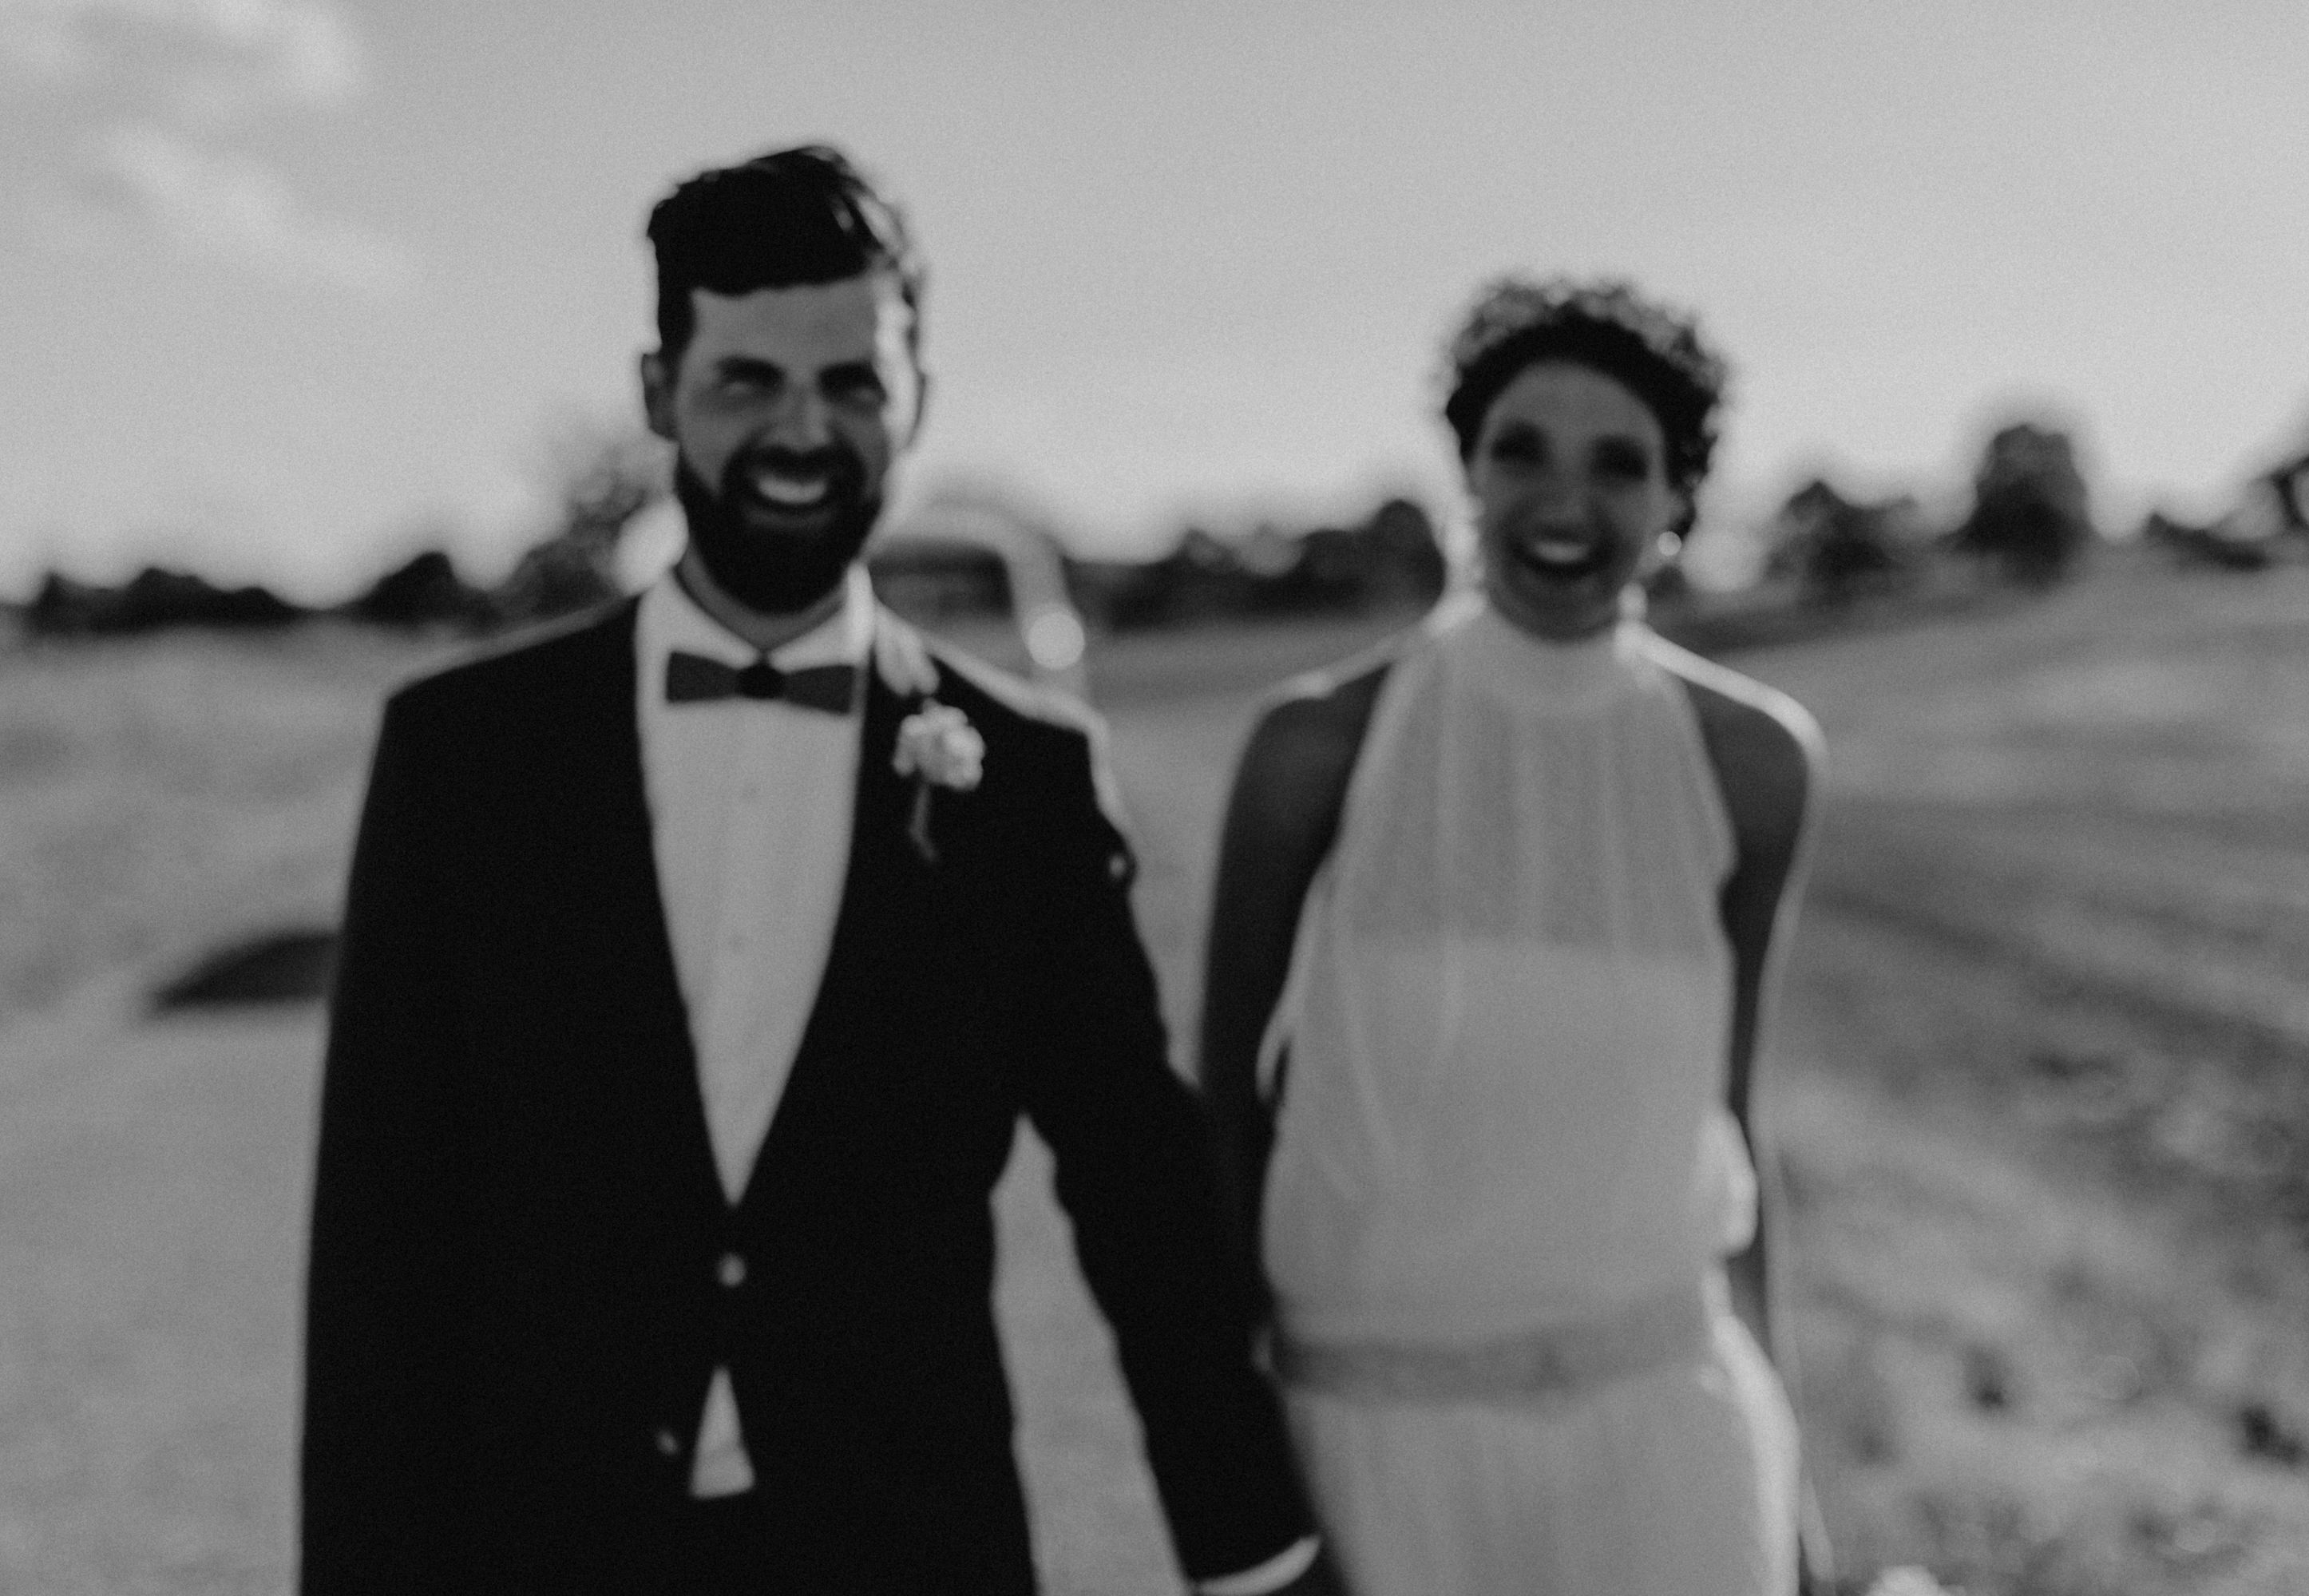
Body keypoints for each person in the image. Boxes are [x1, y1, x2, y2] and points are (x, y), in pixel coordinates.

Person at [300, 145, 1337, 1596]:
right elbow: (383, 1239)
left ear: (920, 399)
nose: (805, 432)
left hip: (904, 1540)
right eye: (748, 382)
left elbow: (1136, 1186)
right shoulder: (465, 755)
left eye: (853, 383)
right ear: (659, 391)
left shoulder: (1022, 777)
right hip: (541, 1541)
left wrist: (1256, 1553)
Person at [1199, 275, 1824, 1595]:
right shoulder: (1317, 743)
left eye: (1621, 465)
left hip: (1672, 1442)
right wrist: (1243, 1505)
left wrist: (1796, 1472)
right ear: (1465, 474)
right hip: (1377, 1444)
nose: (1565, 501)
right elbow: (1222, 1112)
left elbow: (1732, 1111)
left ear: (1677, 506)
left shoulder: (1756, 762)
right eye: (1520, 450)